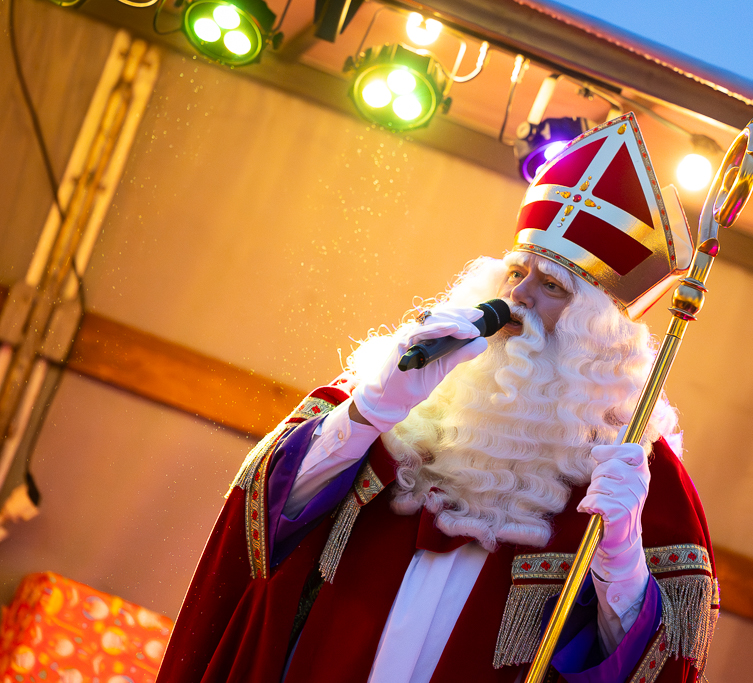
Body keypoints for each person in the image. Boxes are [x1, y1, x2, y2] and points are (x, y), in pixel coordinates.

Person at [156, 113, 717, 683]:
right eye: (516, 273)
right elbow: (264, 526)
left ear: (596, 336)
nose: (519, 296)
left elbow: (660, 667)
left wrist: (622, 562)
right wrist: (370, 412)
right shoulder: (404, 387)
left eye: (550, 286)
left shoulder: (636, 477)